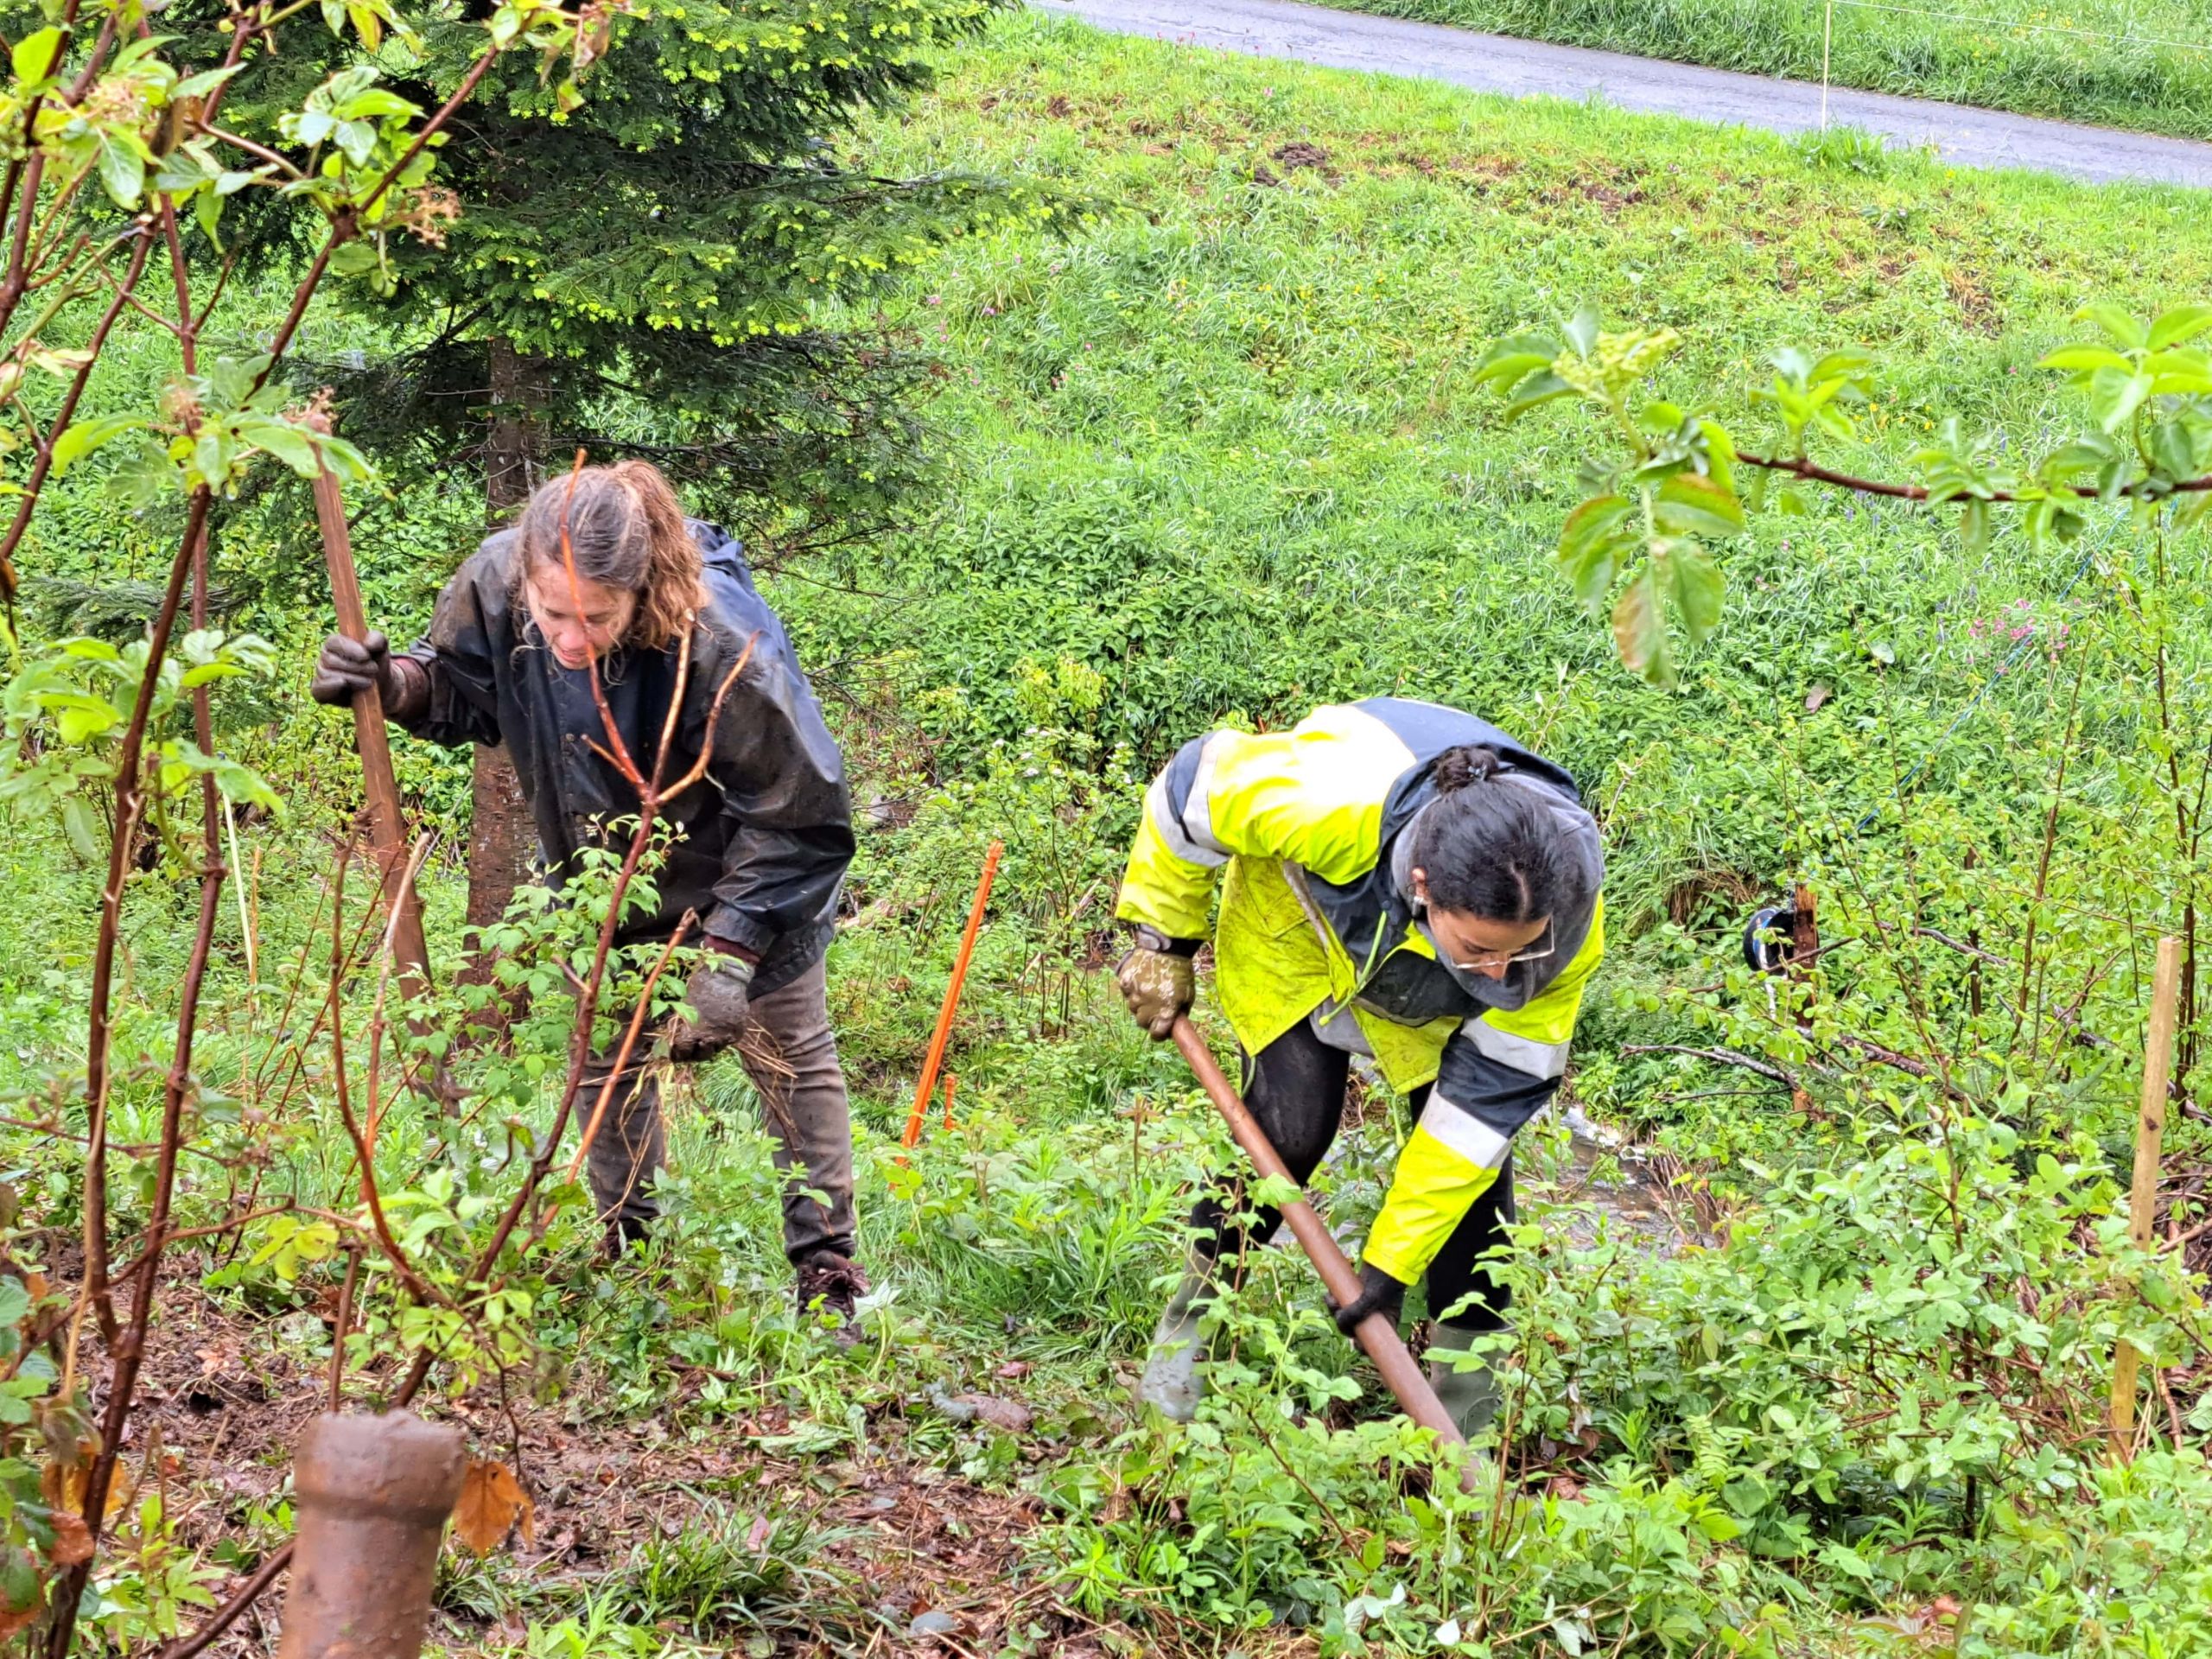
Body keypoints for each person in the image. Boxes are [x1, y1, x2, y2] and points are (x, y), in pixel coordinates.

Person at [310, 461, 868, 1332]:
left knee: (789, 1064)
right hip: (592, 884)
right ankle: (628, 1253)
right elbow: (463, 691)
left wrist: (729, 955)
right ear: (526, 576)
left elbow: (800, 815)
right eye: (553, 613)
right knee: (607, 1063)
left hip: (744, 881)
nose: (570, 639)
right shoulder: (499, 578)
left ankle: (829, 1275)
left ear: (642, 589)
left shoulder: (722, 641)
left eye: (597, 618)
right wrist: (393, 685)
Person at [1113, 699, 1604, 1439]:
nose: (1504, 971)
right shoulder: (1327, 802)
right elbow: (1193, 787)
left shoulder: (1559, 922)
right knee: (1288, 1133)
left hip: (1424, 979)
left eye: (1519, 951)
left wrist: (1387, 1265)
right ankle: (1181, 1363)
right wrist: (1164, 939)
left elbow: (1480, 1112)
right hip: (1301, 923)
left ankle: (1464, 1424)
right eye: (1480, 947)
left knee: (1476, 1194)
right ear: (1423, 884)